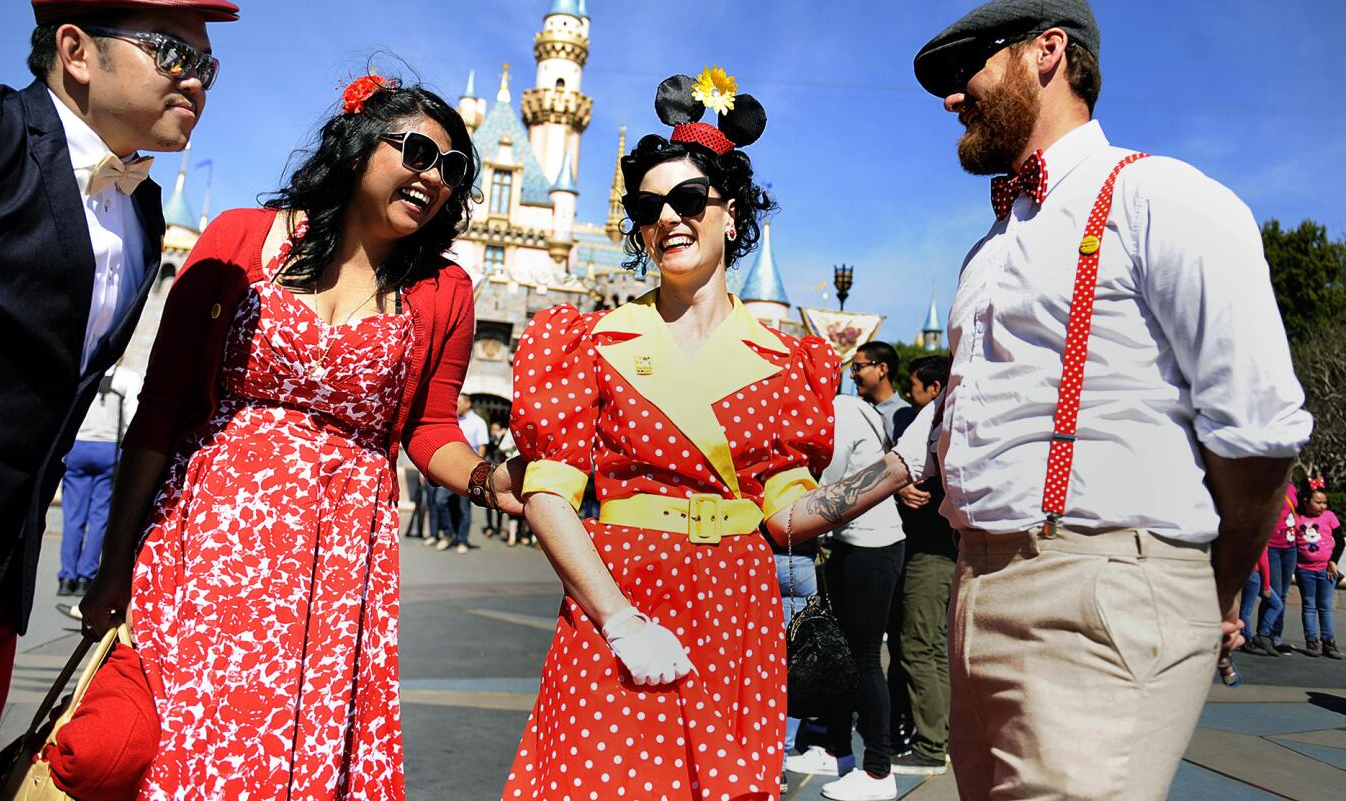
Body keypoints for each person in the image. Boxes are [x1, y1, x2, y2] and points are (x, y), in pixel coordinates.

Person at [897, 0, 1313, 800]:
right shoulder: (990, 248)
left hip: (1101, 583)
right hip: (975, 585)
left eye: (964, 68)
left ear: (1046, 51)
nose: (951, 96)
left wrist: (1211, 585)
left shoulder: (1162, 196)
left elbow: (1259, 431)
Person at [80, 75, 523, 797]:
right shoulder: (237, 239)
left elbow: (431, 426)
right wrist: (112, 564)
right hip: (209, 545)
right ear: (357, 148)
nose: (433, 176)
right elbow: (160, 407)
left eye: (453, 168)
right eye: (416, 151)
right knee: (189, 744)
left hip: (339, 563)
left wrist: (486, 477)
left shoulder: (444, 290)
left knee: (303, 751)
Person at [502, 70, 911, 801]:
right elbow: (548, 496)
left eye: (689, 199)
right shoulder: (588, 340)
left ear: (731, 214)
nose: (669, 218)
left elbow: (786, 514)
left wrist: (903, 465)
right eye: (649, 206)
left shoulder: (788, 362)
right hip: (620, 595)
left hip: (736, 606)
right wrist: (620, 620)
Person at [0, 0, 236, 800]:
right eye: (174, 53)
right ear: (76, 51)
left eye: (209, 64)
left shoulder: (145, 212)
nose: (198, 79)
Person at [787, 391, 905, 800]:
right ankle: (837, 752)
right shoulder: (849, 408)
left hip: (871, 545)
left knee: (864, 657)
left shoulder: (841, 411)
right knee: (841, 654)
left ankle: (878, 770)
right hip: (852, 544)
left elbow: (825, 482)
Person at [889, 355, 953, 778]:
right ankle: (938, 737)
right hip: (941, 552)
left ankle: (931, 745)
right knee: (932, 648)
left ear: (934, 390)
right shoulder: (940, 428)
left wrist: (903, 487)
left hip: (930, 555)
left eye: (914, 387)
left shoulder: (934, 427)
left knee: (918, 646)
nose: (909, 395)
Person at [57, 364, 143, 598]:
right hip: (107, 450)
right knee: (99, 516)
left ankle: (67, 577)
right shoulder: (126, 377)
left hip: (78, 445)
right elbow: (130, 418)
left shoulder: (82, 373)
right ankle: (87, 576)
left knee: (73, 515)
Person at [434, 394, 490, 551]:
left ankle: (462, 540)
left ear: (468, 404)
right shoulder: (452, 420)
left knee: (463, 507)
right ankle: (447, 534)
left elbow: (482, 446)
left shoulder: (478, 422)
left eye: (458, 402)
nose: (455, 404)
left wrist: (479, 472)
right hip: (447, 468)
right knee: (440, 501)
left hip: (468, 470)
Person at [1294, 483, 1342, 659]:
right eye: (1318, 502)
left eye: (1325, 502)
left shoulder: (1329, 516)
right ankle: (1311, 639)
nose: (1323, 506)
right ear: (1306, 502)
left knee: (1326, 606)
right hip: (1305, 570)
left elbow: (1340, 541)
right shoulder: (1297, 518)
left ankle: (1328, 641)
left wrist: (1333, 562)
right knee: (1309, 605)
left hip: (1326, 570)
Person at [1263, 482, 1301, 652]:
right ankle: (1263, 634)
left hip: (1290, 547)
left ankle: (1276, 636)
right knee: (1274, 593)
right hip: (1272, 547)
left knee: (1283, 594)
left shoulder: (1292, 488)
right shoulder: (1268, 484)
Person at [852, 342, 913, 442]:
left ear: (882, 369)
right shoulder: (856, 412)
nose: (852, 375)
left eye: (858, 367)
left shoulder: (907, 418)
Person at [1238, 550, 1284, 656]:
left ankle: (1263, 634)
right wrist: (1266, 585)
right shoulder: (1260, 537)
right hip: (1253, 573)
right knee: (1247, 609)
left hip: (1252, 572)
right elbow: (1263, 561)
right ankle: (1246, 639)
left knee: (1276, 604)